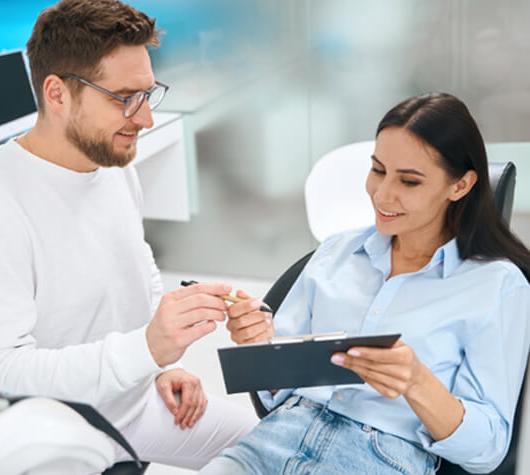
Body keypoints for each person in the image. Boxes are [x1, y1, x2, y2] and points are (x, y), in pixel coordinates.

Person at [0, 0, 256, 469]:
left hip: (135, 404)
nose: (145, 118)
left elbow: (139, 265)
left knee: (273, 447)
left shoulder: (109, 161)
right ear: (57, 94)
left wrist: (162, 364)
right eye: (124, 98)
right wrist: (146, 349)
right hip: (56, 428)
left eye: (148, 94)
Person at [201, 92, 530, 474]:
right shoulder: (336, 252)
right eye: (377, 170)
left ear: (460, 186)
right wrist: (258, 344)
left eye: (409, 181)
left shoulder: (497, 285)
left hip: (380, 458)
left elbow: (488, 450)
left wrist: (417, 382)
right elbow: (275, 396)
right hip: (275, 440)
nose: (382, 194)